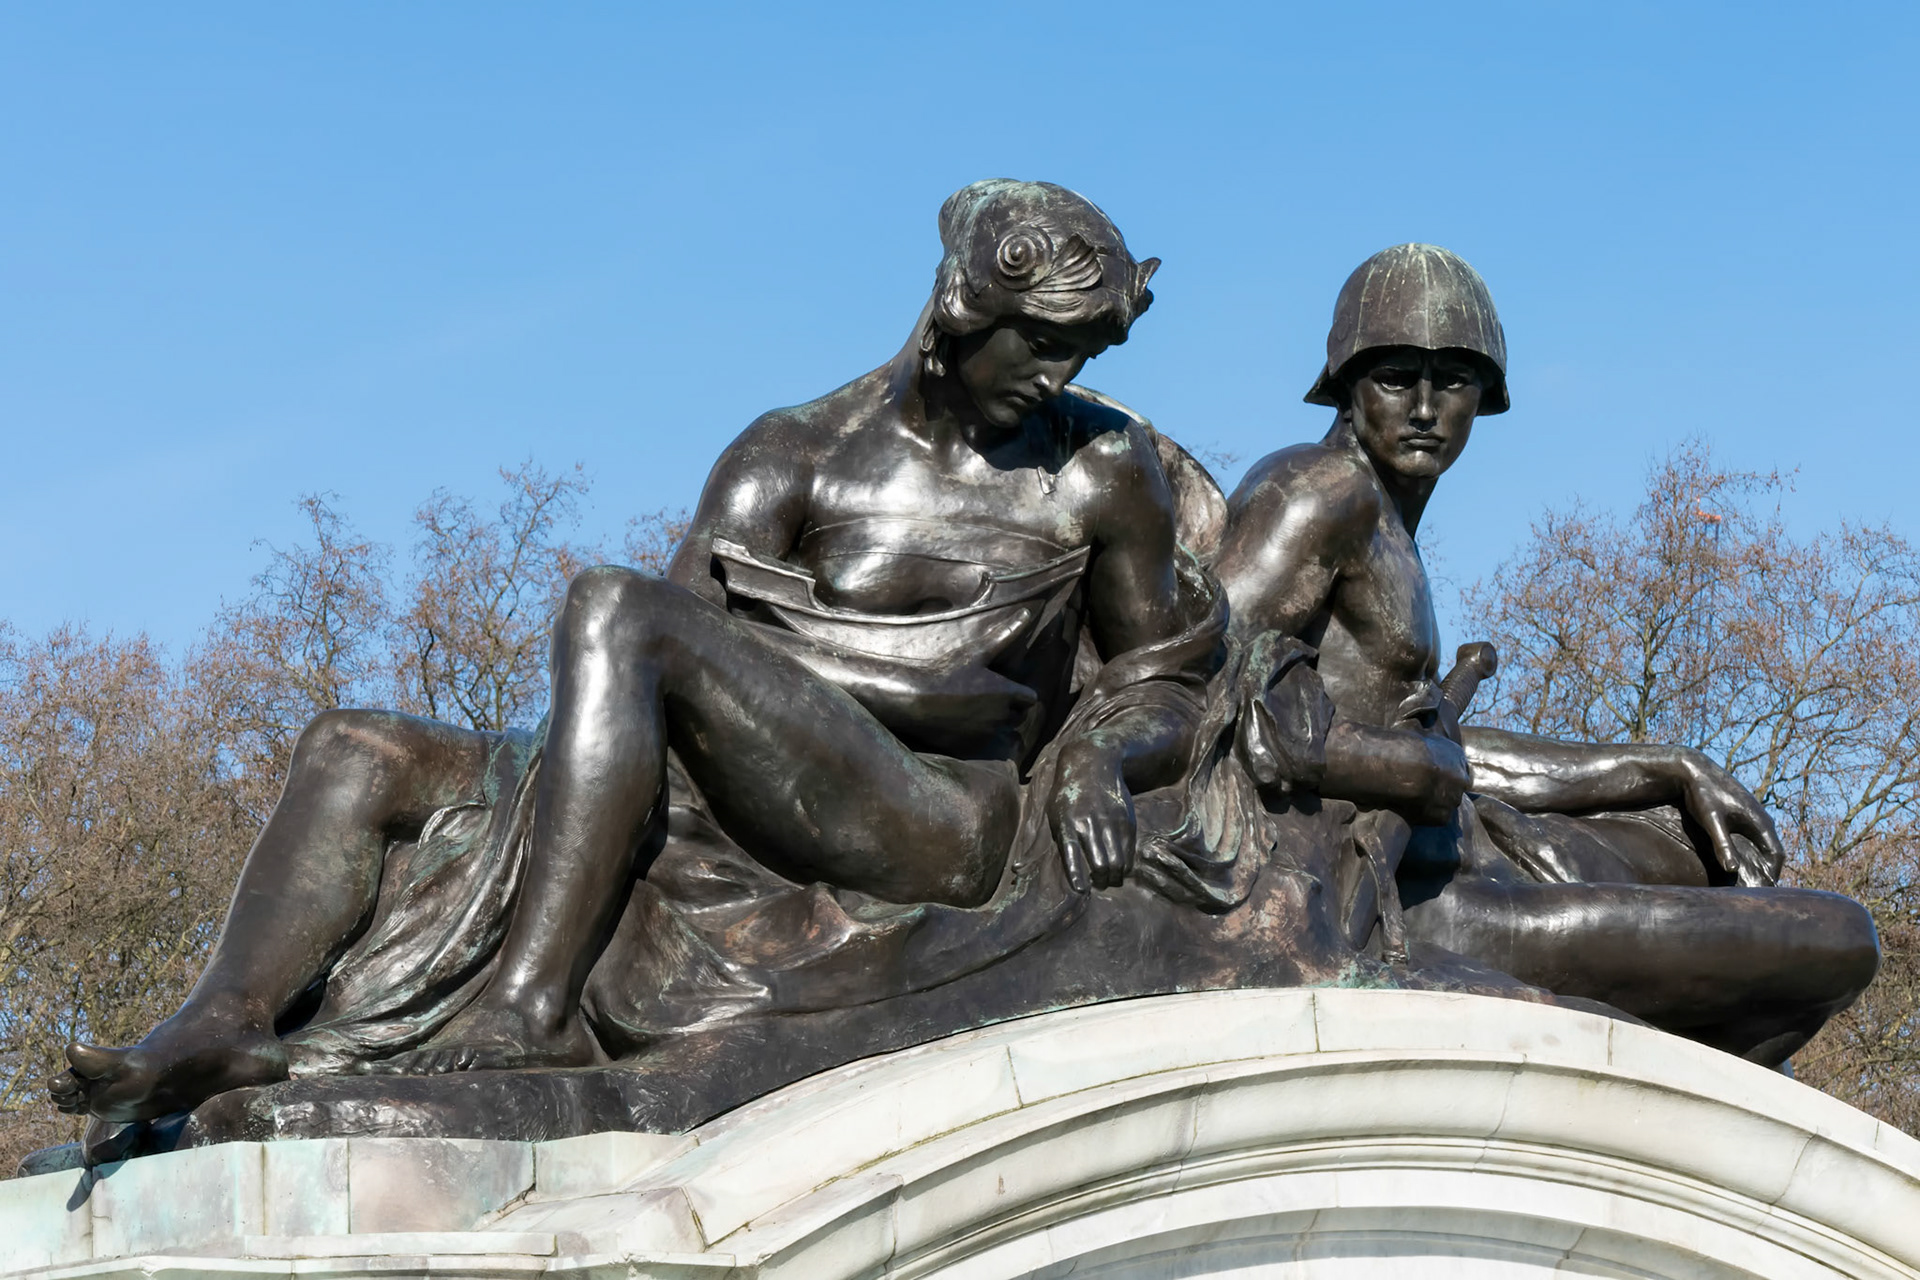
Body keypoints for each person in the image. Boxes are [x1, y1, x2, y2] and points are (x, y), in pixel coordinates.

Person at [50, 179, 1203, 1121]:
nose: (1062, 380)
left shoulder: (1101, 470)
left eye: (1081, 355)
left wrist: (1101, 755)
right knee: (355, 744)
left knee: (616, 604)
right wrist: (890, 679)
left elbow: (1166, 676)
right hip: (743, 782)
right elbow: (672, 672)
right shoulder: (792, 455)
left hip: (935, 818)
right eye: (1044, 345)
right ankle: (218, 1018)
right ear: (960, 309)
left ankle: (532, 1002)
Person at [1211, 243, 1879, 1065]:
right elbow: (1210, 694)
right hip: (1393, 899)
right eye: (1395, 378)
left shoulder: (1383, 519)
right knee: (1835, 937)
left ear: (1484, 398)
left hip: (1450, 854)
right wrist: (1408, 772)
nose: (1424, 407)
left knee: (1686, 845)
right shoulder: (1317, 491)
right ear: (1348, 385)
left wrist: (1661, 764)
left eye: (1452, 380)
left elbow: (1436, 743)